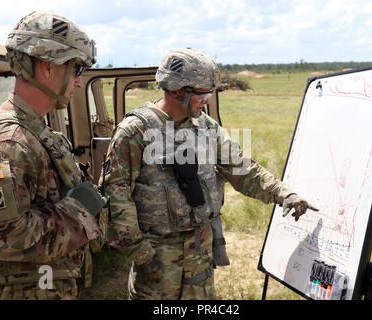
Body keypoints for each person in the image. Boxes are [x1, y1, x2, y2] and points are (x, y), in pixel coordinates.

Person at [101, 48, 317, 299]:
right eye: (202, 93)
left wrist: (283, 193)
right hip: (158, 257)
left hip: (200, 252)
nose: (207, 100)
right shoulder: (135, 131)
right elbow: (117, 194)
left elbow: (242, 169)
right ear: (177, 89)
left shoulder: (205, 126)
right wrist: (140, 252)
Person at [0, 11, 106, 300]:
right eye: (77, 69)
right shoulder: (9, 142)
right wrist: (77, 213)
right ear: (47, 67)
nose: (79, 81)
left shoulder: (35, 133)